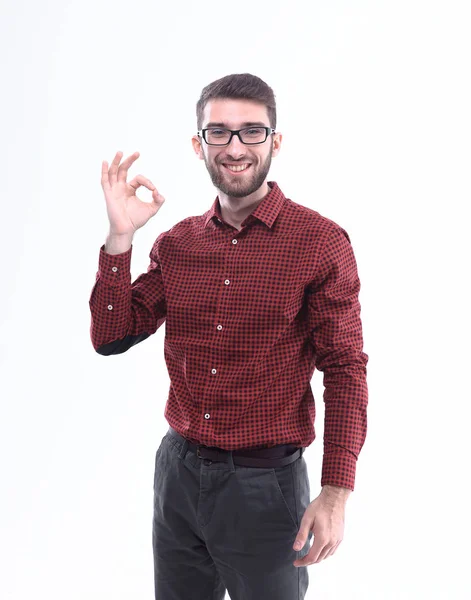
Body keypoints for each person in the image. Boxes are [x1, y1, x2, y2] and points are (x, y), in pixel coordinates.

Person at [89, 72, 369, 600]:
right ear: (199, 145)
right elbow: (112, 336)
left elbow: (346, 368)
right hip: (177, 475)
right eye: (219, 133)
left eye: (252, 132)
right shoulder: (177, 245)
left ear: (275, 142)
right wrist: (121, 238)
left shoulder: (319, 243)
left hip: (266, 489)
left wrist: (336, 492)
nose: (235, 147)